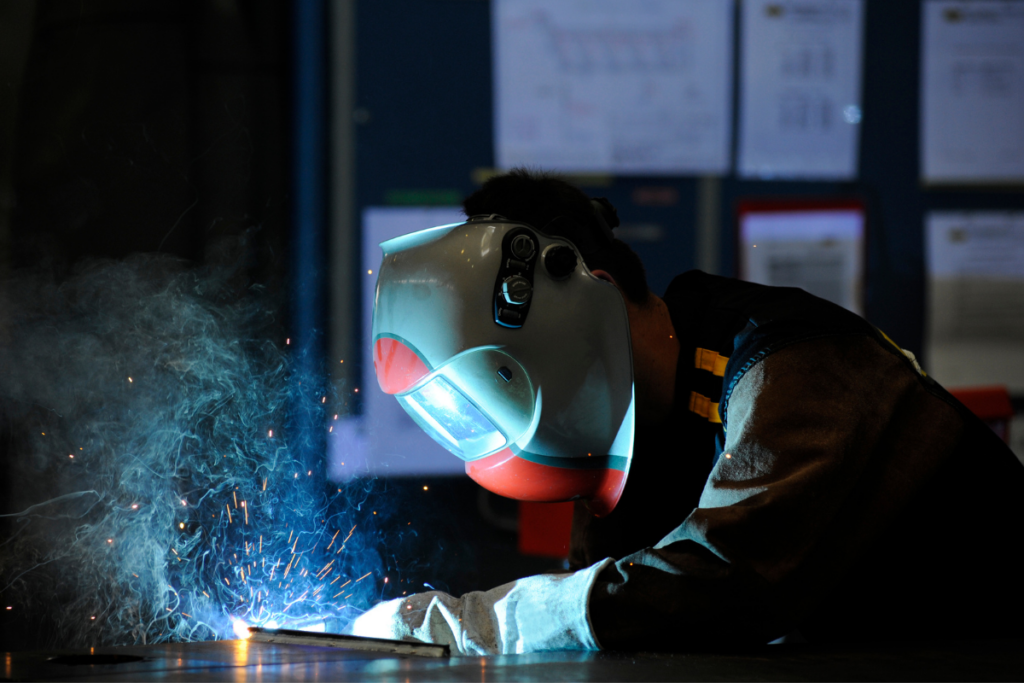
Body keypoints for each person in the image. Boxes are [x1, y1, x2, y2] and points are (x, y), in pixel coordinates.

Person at [350, 169, 1024, 655]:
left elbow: (724, 579)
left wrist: (464, 626)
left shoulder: (791, 357)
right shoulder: (624, 450)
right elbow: (615, 617)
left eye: (496, 375)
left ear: (584, 296)